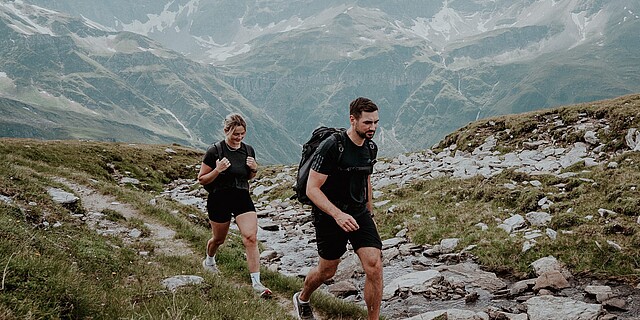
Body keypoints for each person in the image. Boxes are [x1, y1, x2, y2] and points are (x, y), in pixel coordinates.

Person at [293, 97, 383, 320]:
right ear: (353, 120)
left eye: (376, 122)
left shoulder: (371, 148)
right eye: (367, 123)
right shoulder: (333, 146)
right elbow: (312, 189)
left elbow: (366, 180)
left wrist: (369, 211)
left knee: (374, 265)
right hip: (329, 214)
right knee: (327, 271)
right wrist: (337, 214)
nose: (372, 128)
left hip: (358, 212)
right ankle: (303, 297)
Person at [197, 113, 272, 298]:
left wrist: (254, 169)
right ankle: (209, 261)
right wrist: (218, 169)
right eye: (235, 134)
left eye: (242, 134)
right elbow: (202, 179)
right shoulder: (214, 151)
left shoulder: (248, 150)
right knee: (218, 239)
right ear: (226, 131)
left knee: (250, 238)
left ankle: (256, 283)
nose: (239, 138)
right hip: (219, 198)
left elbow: (248, 176)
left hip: (241, 196)